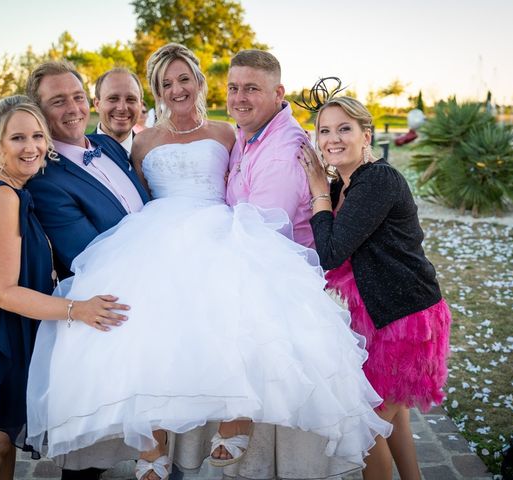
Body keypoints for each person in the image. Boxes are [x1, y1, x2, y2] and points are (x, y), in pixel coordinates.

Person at [26, 44, 391, 480]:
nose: (176, 88)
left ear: (199, 83)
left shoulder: (226, 133)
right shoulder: (142, 141)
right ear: (157, 93)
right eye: (165, 83)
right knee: (146, 327)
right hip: (155, 235)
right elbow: (139, 194)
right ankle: (151, 439)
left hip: (218, 229)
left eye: (184, 79)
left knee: (231, 316)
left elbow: (240, 181)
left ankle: (235, 414)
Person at [173, 49, 359, 480]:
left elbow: (260, 236)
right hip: (254, 275)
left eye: (251, 89)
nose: (239, 98)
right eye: (233, 88)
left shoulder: (283, 151)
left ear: (278, 93)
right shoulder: (249, 134)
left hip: (274, 290)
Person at [0, 95, 129, 480]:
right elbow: (4, 291)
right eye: (18, 139)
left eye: (39, 137)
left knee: (1, 450)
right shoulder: (3, 197)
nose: (32, 148)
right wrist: (79, 309)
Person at [297, 78, 451, 480]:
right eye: (325, 130)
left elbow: (331, 251)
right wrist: (324, 191)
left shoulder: (376, 181)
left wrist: (318, 192)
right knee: (389, 414)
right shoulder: (343, 183)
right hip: (379, 315)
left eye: (344, 129)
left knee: (364, 424)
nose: (333, 139)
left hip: (405, 318)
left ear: (366, 135)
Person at [25, 60, 150, 479]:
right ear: (38, 111)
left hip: (152, 296)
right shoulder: (44, 178)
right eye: (58, 101)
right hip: (107, 310)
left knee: (163, 423)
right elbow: (89, 253)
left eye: (77, 96)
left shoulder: (110, 146)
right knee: (91, 446)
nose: (74, 108)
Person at [92, 67, 145, 154]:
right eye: (113, 98)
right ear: (97, 104)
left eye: (131, 99)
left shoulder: (151, 155)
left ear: (140, 106)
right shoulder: (78, 153)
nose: (122, 108)